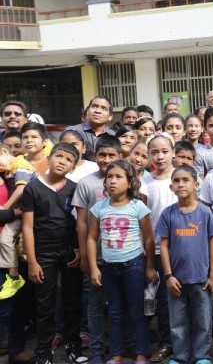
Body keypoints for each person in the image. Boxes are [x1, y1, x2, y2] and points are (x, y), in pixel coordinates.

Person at [22, 143, 88, 364]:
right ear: (48, 159)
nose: (62, 161)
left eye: (69, 160)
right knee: (44, 305)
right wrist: (32, 261)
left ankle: (73, 346)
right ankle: (43, 352)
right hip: (43, 254)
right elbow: (28, 227)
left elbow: (80, 223)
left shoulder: (74, 187)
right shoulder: (32, 188)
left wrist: (80, 250)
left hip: (70, 252)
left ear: (72, 166)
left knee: (72, 301)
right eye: (59, 156)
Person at [87, 160, 157, 364]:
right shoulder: (98, 208)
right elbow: (92, 238)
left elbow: (149, 239)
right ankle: (116, 355)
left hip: (133, 266)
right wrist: (93, 267)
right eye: (110, 177)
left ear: (130, 183)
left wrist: (150, 267)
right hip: (109, 268)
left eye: (119, 177)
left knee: (137, 312)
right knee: (115, 313)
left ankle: (141, 353)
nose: (113, 181)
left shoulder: (138, 207)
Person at [157, 165, 213, 364]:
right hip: (176, 280)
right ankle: (180, 356)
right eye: (176, 181)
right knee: (177, 321)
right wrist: (168, 275)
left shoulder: (205, 213)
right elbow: (164, 246)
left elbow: (212, 243)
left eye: (185, 180)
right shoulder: (168, 214)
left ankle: (201, 356)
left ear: (196, 185)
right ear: (171, 187)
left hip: (201, 278)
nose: (180, 184)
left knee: (203, 320)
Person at [72, 135, 121, 364]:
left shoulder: (125, 180)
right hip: (96, 257)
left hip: (122, 255)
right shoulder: (86, 183)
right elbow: (81, 222)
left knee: (121, 304)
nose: (107, 159)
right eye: (102, 155)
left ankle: (121, 347)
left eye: (112, 155)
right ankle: (97, 350)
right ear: (95, 155)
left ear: (120, 156)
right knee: (94, 304)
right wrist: (83, 253)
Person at [143, 132, 178, 363]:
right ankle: (161, 342)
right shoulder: (145, 181)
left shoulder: (182, 177)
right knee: (157, 300)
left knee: (178, 298)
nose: (160, 156)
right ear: (148, 155)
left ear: (173, 152)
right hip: (154, 249)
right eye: (154, 152)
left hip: (182, 248)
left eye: (165, 151)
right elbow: (143, 221)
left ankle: (179, 341)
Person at [0, 143, 35, 299]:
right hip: (22, 212)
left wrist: (6, 208)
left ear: (4, 151)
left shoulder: (20, 164)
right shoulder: (9, 169)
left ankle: (14, 277)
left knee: (6, 238)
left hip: (30, 213)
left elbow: (21, 189)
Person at [67, 96, 115, 161]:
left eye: (103, 108)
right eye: (94, 106)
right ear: (88, 110)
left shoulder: (114, 136)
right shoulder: (72, 132)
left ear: (110, 116)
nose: (97, 111)